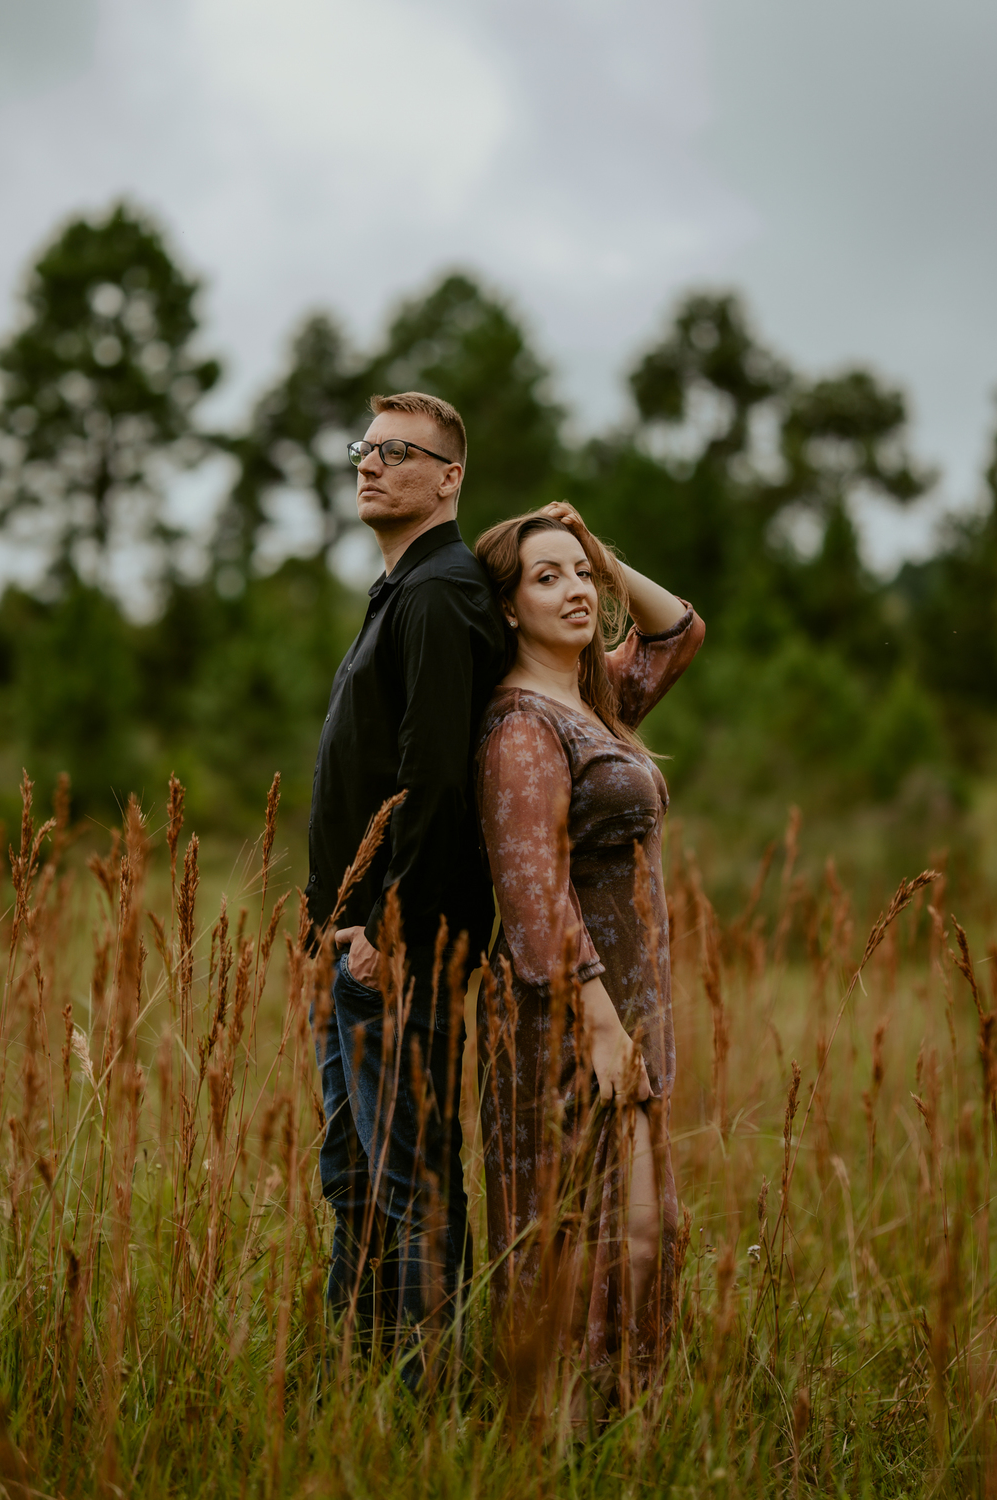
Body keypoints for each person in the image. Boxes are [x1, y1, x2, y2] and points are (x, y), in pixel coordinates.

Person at [473, 502, 704, 1415]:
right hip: (568, 1021)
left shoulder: (596, 701)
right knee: (584, 1237)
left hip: (632, 1017)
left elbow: (677, 632)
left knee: (648, 1237)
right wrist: (604, 1030)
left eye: (580, 574)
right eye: (547, 576)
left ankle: (622, 1430)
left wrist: (603, 554)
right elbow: (535, 903)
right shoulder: (522, 728)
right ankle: (555, 1429)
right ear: (506, 608)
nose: (574, 590)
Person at [305, 391, 505, 1374]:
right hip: (351, 950)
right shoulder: (402, 588)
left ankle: (428, 1391)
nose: (370, 464)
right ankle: (361, 1370)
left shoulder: (437, 591)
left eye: (397, 452)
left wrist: (386, 930)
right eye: (365, 448)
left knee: (410, 1178)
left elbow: (434, 778)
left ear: (449, 478)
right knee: (354, 1172)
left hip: (397, 954)